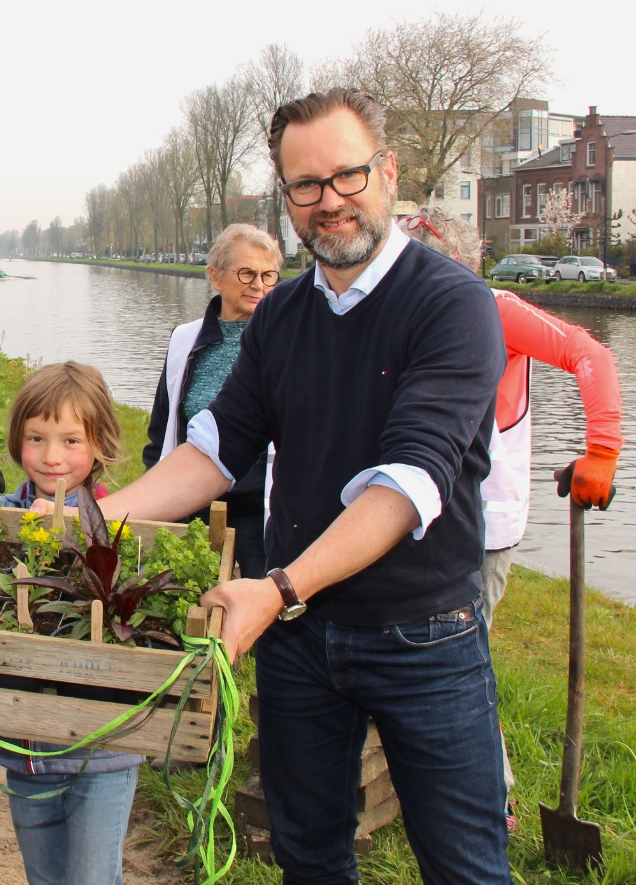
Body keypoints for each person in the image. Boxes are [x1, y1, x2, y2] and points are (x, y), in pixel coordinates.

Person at [90, 89, 511, 883]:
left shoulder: (453, 305)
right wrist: (89, 517)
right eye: (306, 186)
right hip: (301, 639)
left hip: (421, 632)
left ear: (386, 173)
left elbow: (405, 485)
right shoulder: (280, 315)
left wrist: (275, 589)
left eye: (347, 176)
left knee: (464, 865)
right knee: (309, 854)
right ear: (286, 199)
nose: (331, 202)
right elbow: (213, 450)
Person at [402, 206, 623, 827]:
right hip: (413, 513)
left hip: (483, 526)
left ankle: (491, 803)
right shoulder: (404, 312)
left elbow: (591, 358)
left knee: (461, 660)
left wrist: (601, 451)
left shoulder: (497, 311)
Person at [0, 361, 140, 885]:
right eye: (36, 438)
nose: (51, 457)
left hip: (102, 748)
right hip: (23, 744)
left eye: (72, 440)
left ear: (100, 444)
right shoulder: (1, 516)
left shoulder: (125, 526)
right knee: (44, 877)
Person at [143, 223, 282, 579]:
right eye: (247, 273)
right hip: (191, 501)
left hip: (260, 509)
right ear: (215, 276)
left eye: (269, 275)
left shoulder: (287, 343)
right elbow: (163, 426)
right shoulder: (185, 339)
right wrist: (155, 495)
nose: (259, 285)